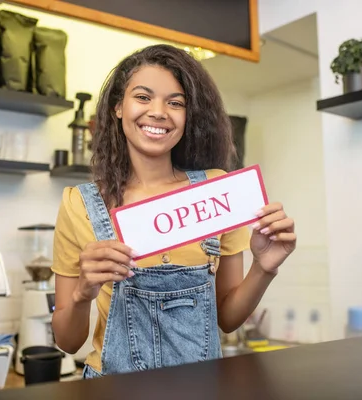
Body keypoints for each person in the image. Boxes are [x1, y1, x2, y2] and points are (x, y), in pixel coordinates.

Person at [51, 44, 296, 379]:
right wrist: (81, 293)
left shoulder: (216, 191)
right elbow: (67, 340)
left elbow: (227, 318)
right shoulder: (79, 204)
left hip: (202, 388)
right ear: (117, 108)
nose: (159, 111)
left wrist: (264, 268)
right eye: (143, 97)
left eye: (175, 102)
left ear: (187, 116)